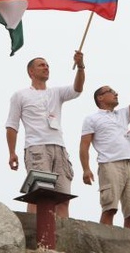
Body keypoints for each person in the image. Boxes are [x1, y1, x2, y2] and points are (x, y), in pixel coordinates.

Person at [6, 51, 85, 218]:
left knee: (63, 197)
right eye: (41, 65)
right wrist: (12, 152)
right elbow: (12, 126)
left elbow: (77, 89)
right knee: (39, 195)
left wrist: (80, 66)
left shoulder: (56, 92)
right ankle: (36, 235)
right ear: (31, 72)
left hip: (60, 148)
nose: (46, 67)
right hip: (36, 148)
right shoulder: (20, 95)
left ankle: (62, 237)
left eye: (47, 65)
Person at [79, 59, 130, 230]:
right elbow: (84, 145)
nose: (116, 93)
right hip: (109, 164)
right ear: (100, 97)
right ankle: (106, 244)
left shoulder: (123, 114)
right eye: (110, 91)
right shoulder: (92, 119)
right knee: (110, 208)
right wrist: (86, 168)